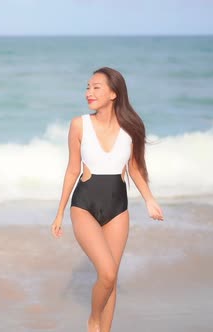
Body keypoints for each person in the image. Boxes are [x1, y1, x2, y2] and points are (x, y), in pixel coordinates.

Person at [51, 67, 164, 332]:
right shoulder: (79, 124)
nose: (89, 92)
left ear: (114, 93)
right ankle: (93, 320)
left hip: (118, 209)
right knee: (108, 273)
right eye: (87, 87)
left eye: (96, 87)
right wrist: (59, 213)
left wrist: (149, 199)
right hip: (84, 205)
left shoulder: (131, 128)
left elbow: (135, 168)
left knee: (111, 279)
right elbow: (72, 169)